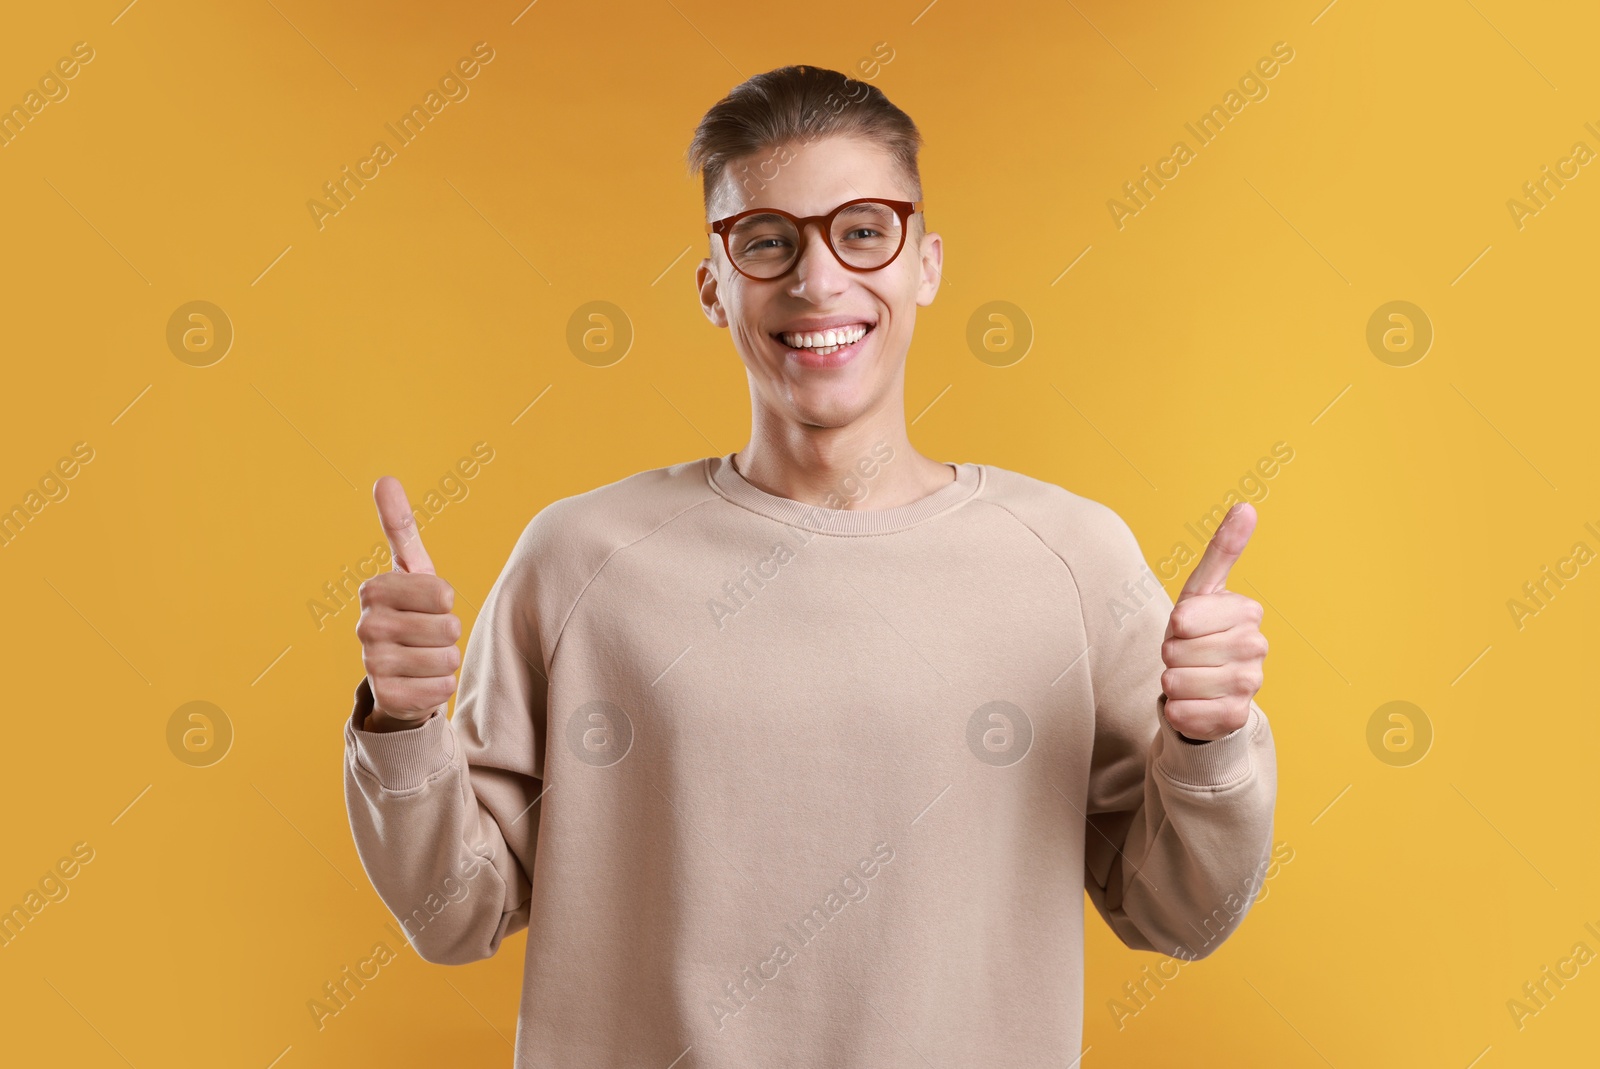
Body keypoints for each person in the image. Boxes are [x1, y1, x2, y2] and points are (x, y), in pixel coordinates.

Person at [343, 64, 1277, 1067]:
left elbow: (1185, 915)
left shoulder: (1073, 561)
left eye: (862, 230)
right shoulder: (578, 560)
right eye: (767, 240)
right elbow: (454, 914)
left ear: (924, 262)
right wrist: (401, 728)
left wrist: (1211, 742)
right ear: (714, 285)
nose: (816, 279)